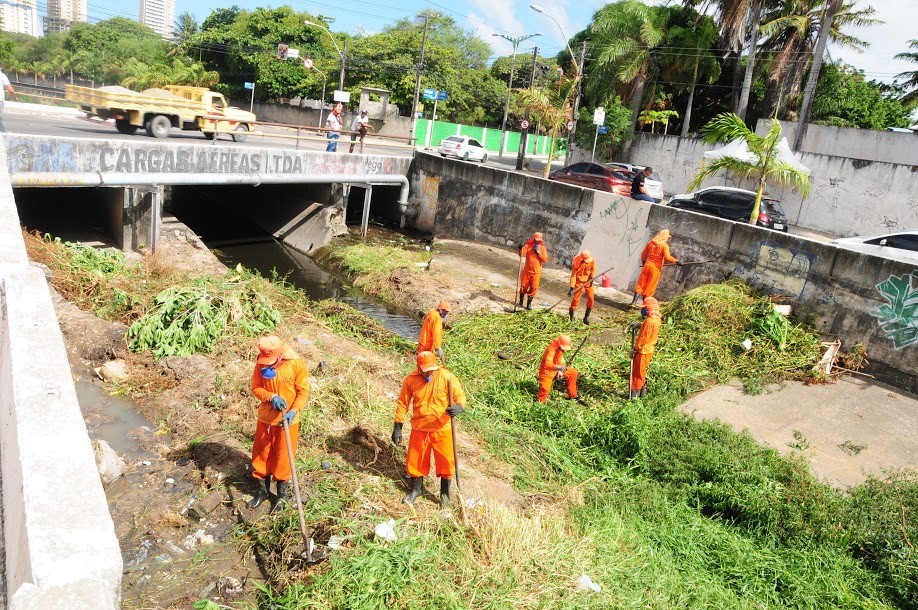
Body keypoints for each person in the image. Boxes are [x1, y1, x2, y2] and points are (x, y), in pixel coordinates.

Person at [391, 351, 467, 508]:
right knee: (416, 461)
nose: (429, 372)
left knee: (446, 461)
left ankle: (445, 495)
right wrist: (397, 427)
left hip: (442, 428)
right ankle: (417, 490)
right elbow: (402, 404)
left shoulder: (446, 377)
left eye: (431, 368)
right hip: (420, 428)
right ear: (418, 367)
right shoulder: (411, 380)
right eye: (425, 369)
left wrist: (458, 408)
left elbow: (460, 397)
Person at [247, 336, 310, 511]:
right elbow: (256, 387)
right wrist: (271, 396)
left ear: (281, 354)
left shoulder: (296, 364)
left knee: (284, 458)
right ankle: (263, 492)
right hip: (266, 418)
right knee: (262, 455)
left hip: (287, 420)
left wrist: (294, 410)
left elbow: (303, 392)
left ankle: (282, 497)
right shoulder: (261, 364)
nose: (267, 364)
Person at [631, 229, 680, 306]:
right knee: (650, 286)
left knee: (641, 284)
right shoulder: (664, 245)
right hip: (655, 269)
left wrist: (644, 263)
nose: (667, 238)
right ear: (665, 237)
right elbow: (667, 257)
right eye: (667, 237)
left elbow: (643, 255)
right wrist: (677, 261)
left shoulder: (650, 243)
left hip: (647, 266)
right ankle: (645, 305)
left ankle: (633, 302)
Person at [630, 297, 661, 399]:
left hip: (642, 351)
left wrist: (634, 350)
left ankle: (634, 398)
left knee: (636, 374)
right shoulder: (656, 318)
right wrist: (639, 325)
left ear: (649, 308)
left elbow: (643, 338)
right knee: (642, 372)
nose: (643, 310)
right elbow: (649, 329)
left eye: (645, 308)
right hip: (649, 350)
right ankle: (641, 395)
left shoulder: (649, 321)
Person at [537, 334, 579, 403]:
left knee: (573, 373)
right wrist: (559, 368)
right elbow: (547, 364)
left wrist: (560, 371)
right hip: (546, 372)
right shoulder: (551, 349)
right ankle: (540, 402)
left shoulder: (560, 349)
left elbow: (560, 360)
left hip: (556, 369)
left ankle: (573, 395)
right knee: (545, 388)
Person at [518, 232, 548, 310]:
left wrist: (538, 253)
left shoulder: (542, 248)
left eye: (539, 240)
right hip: (527, 270)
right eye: (536, 240)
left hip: (536, 272)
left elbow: (545, 259)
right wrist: (520, 248)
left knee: (534, 288)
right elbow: (521, 254)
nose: (537, 241)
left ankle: (528, 305)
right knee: (523, 286)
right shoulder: (528, 246)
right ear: (534, 239)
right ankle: (520, 302)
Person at [568, 249, 596, 325]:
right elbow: (573, 276)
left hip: (588, 281)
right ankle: (571, 317)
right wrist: (571, 287)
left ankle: (586, 317)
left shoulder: (591, 260)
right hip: (579, 281)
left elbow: (593, 269)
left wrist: (592, 277)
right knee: (576, 299)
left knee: (591, 298)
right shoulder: (576, 262)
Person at [0, 64, 19, 133]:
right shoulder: (2, 76)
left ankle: (3, 132)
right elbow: (11, 90)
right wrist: (15, 98)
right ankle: (4, 133)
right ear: (1, 67)